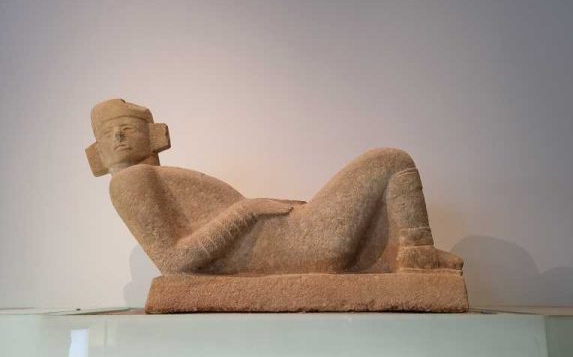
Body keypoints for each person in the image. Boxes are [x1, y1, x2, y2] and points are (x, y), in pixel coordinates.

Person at [87, 99, 462, 275]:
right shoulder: (129, 181)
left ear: (155, 135)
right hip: (294, 244)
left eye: (127, 128)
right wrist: (247, 210)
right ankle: (417, 253)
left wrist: (258, 208)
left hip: (290, 238)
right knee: (392, 161)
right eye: (108, 133)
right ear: (96, 154)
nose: (118, 136)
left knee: (389, 162)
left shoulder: (147, 179)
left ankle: (409, 254)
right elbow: (173, 261)